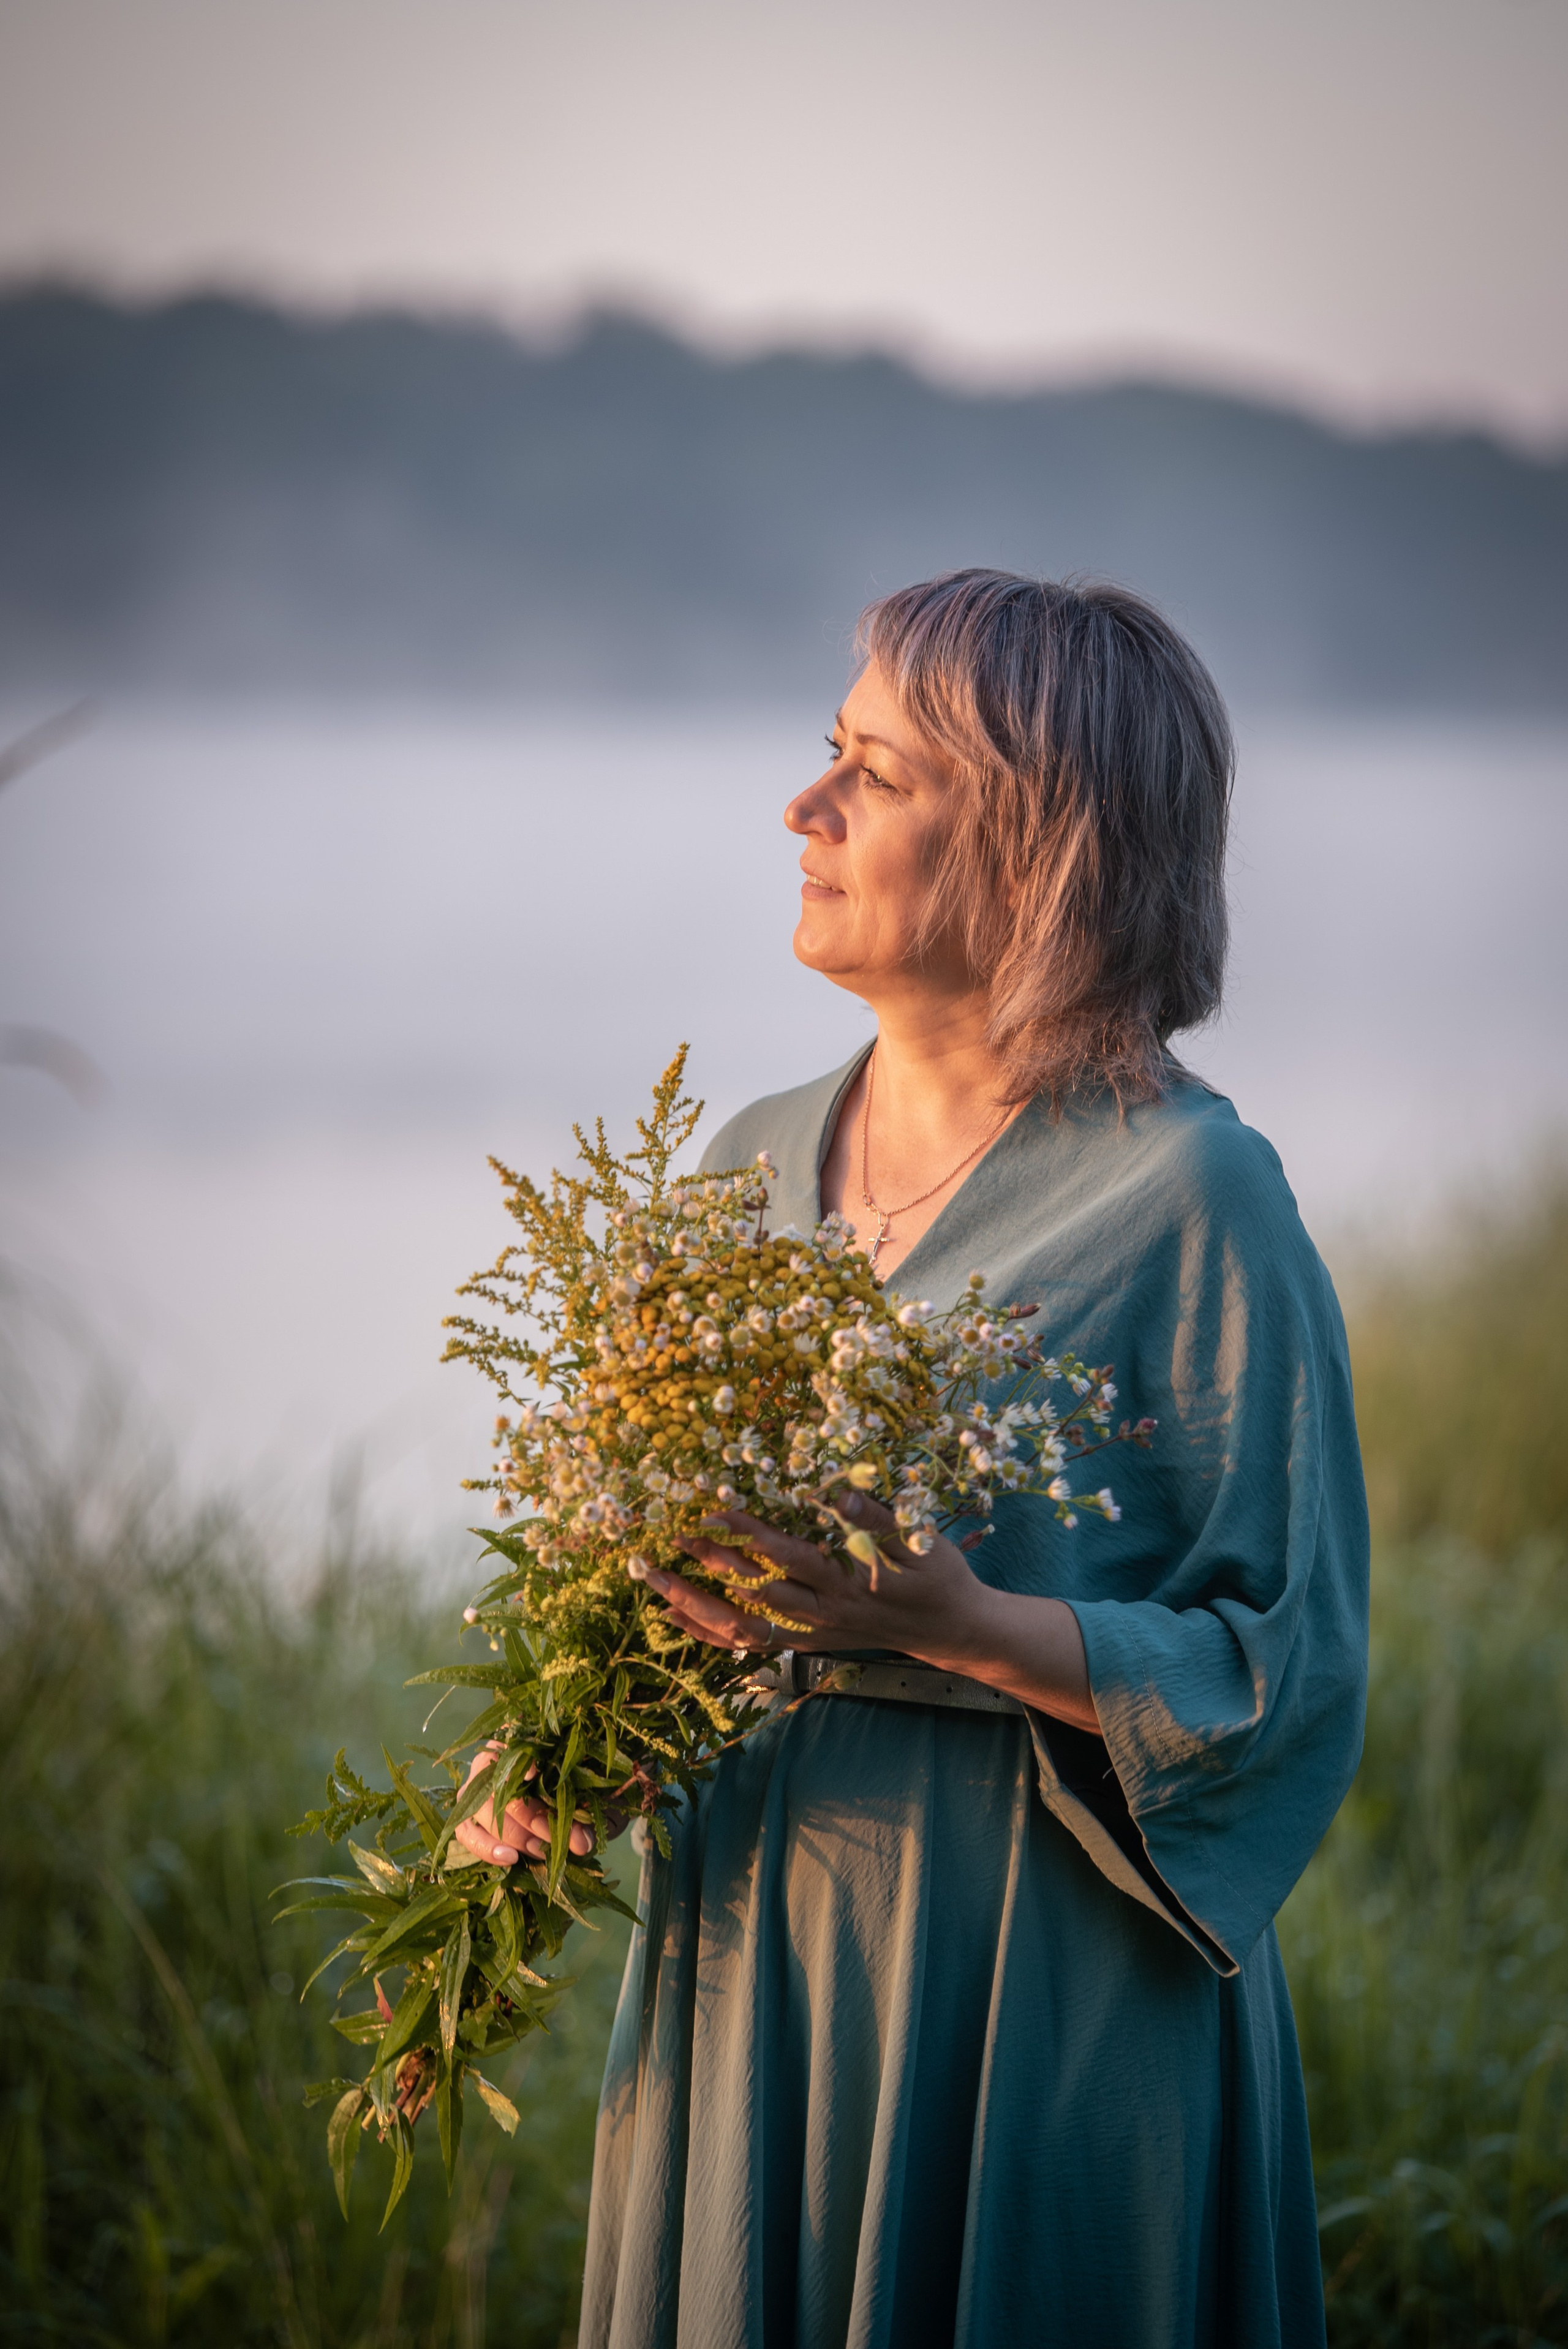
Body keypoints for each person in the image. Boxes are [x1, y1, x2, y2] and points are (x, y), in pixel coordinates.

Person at [464, 570, 1370, 2348]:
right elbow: (654, 1580)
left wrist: (958, 1621)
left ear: (1039, 844)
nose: (805, 808)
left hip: (1032, 1989)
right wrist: (567, 1738)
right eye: (829, 755)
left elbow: (1290, 1680)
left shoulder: (1198, 1200)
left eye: (874, 772)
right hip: (752, 1969)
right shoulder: (742, 1163)